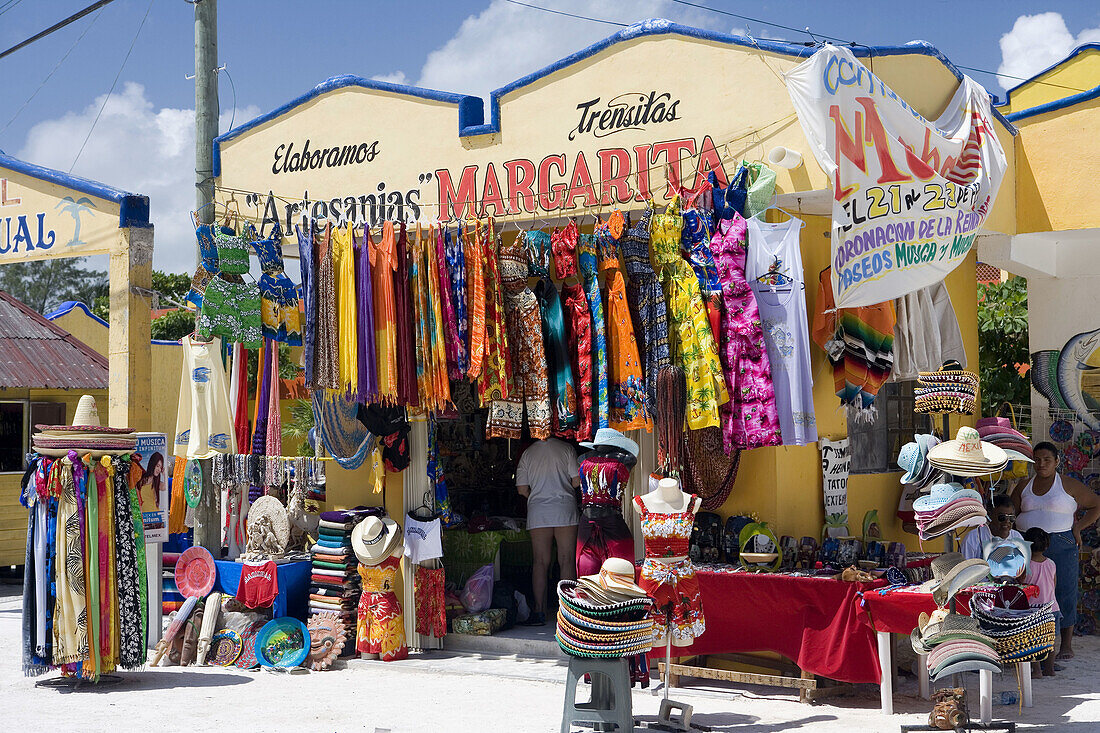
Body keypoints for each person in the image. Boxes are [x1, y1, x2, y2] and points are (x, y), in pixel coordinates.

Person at [1012, 441, 1100, 660]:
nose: (1041, 464)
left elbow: (1096, 504)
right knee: (1027, 590)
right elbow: (1011, 512)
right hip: (1027, 544)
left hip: (1061, 543)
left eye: (1047, 460)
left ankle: (1066, 646)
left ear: (1057, 462)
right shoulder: (1024, 485)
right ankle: (1027, 641)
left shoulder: (1069, 485)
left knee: (1064, 590)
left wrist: (1078, 527)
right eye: (1037, 460)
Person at [515, 437, 580, 626]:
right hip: (564, 508)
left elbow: (521, 488)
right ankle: (568, 612)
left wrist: (537, 497)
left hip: (538, 512)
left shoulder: (528, 453)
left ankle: (539, 611)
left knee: (540, 562)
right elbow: (576, 481)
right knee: (566, 560)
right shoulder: (566, 449)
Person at [1023, 527, 1058, 677]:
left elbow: (1022, 585)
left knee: (1033, 641)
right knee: (1050, 640)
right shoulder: (1051, 563)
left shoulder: (1026, 566)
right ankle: (1050, 669)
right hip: (1052, 607)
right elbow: (1054, 584)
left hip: (1033, 609)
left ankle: (1036, 670)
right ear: (1046, 545)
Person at [960, 493, 1023, 560]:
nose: (1007, 521)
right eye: (1002, 517)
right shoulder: (973, 538)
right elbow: (966, 567)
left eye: (1011, 518)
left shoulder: (1017, 538)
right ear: (989, 515)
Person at [138, 452, 164, 516]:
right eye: (157, 466)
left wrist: (165, 475)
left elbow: (164, 487)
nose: (159, 469)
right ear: (153, 464)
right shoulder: (142, 479)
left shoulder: (156, 482)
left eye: (160, 467)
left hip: (154, 516)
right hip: (143, 515)